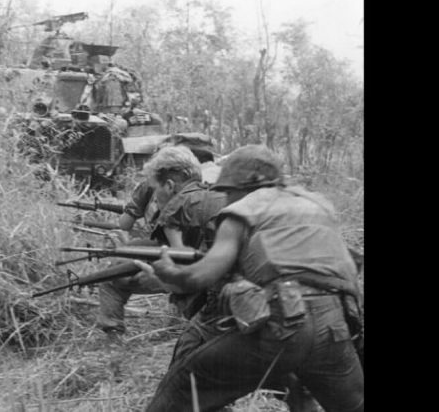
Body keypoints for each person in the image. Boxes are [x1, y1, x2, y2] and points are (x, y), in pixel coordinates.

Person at [134, 145, 364, 412]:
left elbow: (201, 276)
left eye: (228, 191)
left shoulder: (244, 209)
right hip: (335, 329)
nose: (226, 198)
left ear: (242, 187)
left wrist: (169, 273)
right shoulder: (317, 206)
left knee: (184, 384)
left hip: (284, 327)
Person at [97, 146, 226, 337]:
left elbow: (181, 262)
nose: (155, 198)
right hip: (228, 275)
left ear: (170, 185)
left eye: (156, 189)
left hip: (207, 282)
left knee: (110, 277)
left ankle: (113, 332)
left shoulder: (175, 208)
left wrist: (160, 279)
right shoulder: (218, 194)